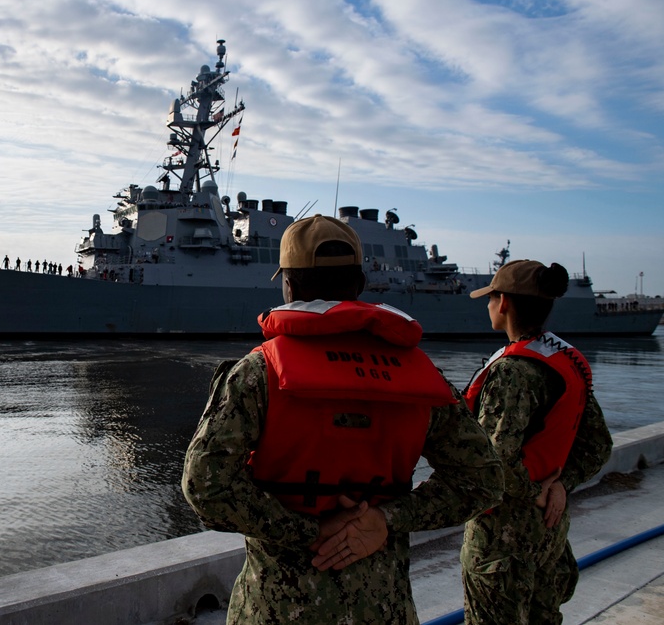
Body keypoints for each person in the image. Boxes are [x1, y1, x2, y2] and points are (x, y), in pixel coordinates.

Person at [182, 215, 503, 624]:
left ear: (289, 287)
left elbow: (204, 488)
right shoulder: (422, 379)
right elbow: (484, 481)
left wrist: (307, 532)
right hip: (383, 608)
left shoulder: (258, 374)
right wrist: (385, 519)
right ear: (360, 285)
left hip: (277, 610)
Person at [460, 260, 613, 625]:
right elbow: (598, 445)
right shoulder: (566, 362)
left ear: (505, 303)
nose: (486, 305)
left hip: (502, 539)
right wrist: (560, 485)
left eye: (491, 297)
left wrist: (533, 492)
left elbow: (491, 462)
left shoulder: (512, 372)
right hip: (549, 530)